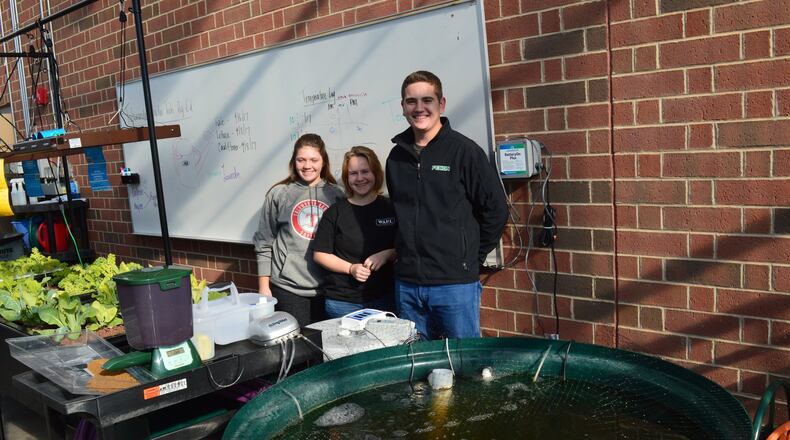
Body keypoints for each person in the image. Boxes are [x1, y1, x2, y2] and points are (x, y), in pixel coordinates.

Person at [386, 70, 508, 339]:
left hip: (454, 285)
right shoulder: (396, 158)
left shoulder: (464, 152)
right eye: (411, 101)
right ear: (403, 107)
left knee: (464, 362)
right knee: (416, 365)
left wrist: (470, 258)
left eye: (427, 100)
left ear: (441, 104)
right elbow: (400, 214)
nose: (419, 108)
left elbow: (496, 210)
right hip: (408, 284)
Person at [253, 133, 344, 327]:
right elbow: (264, 240)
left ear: (323, 162)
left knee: (325, 347)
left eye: (314, 160)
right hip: (288, 287)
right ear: (293, 162)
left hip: (328, 287)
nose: (307, 165)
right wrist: (264, 286)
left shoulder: (336, 195)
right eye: (301, 160)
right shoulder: (279, 194)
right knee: (297, 348)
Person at [312, 146, 397, 318]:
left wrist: (387, 254)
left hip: (385, 299)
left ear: (375, 173)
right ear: (346, 177)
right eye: (353, 173)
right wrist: (351, 268)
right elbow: (320, 254)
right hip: (342, 302)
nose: (360, 178)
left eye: (365, 171)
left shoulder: (391, 208)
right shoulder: (335, 212)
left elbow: (406, 246)